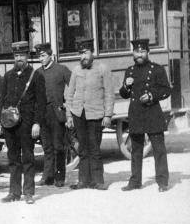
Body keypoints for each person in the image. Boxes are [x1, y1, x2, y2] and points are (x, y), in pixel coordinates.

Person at [0, 41, 46, 204]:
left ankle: (28, 192)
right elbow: (2, 99)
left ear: (27, 56)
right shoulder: (7, 76)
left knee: (28, 157)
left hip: (27, 123)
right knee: (13, 158)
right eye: (16, 56)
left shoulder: (36, 75)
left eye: (22, 55)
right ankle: (14, 192)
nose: (19, 59)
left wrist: (37, 123)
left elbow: (41, 102)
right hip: (9, 124)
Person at [119, 39, 172, 192]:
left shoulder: (157, 69)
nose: (139, 55)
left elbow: (166, 90)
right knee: (136, 150)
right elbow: (124, 94)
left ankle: (162, 182)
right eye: (137, 52)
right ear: (133, 53)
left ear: (148, 52)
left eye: (142, 52)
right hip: (136, 114)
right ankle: (135, 181)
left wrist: (151, 95)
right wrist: (126, 86)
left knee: (159, 149)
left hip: (153, 113)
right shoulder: (129, 71)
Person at [64, 38, 114, 190]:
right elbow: (69, 94)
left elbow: (109, 93)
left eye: (85, 53)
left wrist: (108, 115)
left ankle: (98, 180)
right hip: (79, 114)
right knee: (82, 149)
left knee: (94, 148)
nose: (83, 57)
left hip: (96, 114)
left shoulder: (102, 69)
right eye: (80, 53)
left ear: (92, 52)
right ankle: (83, 180)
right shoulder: (76, 70)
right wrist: (69, 115)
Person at [34, 42, 72, 187]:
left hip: (57, 113)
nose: (41, 59)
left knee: (58, 146)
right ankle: (47, 176)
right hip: (43, 113)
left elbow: (74, 86)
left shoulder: (61, 70)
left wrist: (67, 104)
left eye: (43, 56)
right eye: (39, 56)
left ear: (51, 55)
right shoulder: (37, 73)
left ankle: (60, 177)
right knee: (47, 147)